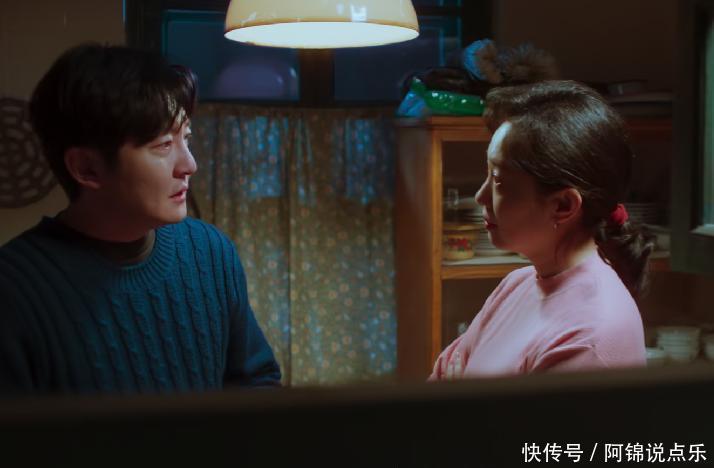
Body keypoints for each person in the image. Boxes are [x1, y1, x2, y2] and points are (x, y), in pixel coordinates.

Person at [0, 43, 281, 395]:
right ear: (87, 168)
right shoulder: (14, 289)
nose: (189, 165)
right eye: (163, 145)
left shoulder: (210, 253)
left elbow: (257, 383)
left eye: (186, 138)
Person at [431, 80, 654, 380]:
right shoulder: (517, 284)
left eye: (498, 181)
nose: (481, 196)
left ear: (563, 205)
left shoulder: (590, 336)